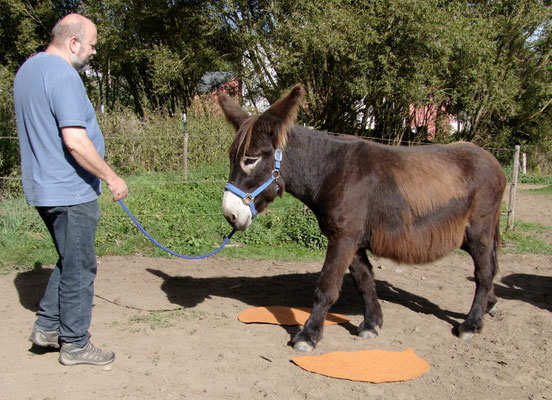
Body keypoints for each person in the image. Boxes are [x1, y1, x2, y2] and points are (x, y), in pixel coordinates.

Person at [13, 13, 128, 366]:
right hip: (70, 190)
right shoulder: (63, 74)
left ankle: (47, 328)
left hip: (42, 187)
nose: (93, 52)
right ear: (73, 42)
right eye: (92, 45)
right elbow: (75, 141)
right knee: (81, 267)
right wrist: (111, 177)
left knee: (71, 258)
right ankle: (76, 344)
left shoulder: (27, 71)